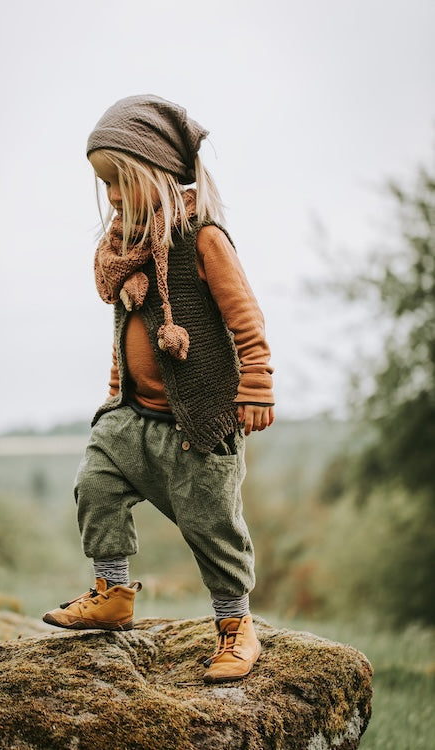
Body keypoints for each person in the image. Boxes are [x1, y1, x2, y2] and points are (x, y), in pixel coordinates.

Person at [43, 94, 275, 683]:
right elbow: (128, 330)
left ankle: (235, 625)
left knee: (212, 524)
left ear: (159, 173)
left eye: (120, 181)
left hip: (198, 422)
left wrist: (257, 383)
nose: (113, 196)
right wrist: (116, 389)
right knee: (94, 481)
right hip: (132, 416)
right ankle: (113, 591)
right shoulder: (127, 249)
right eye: (105, 186)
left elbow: (246, 317)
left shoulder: (203, 239)